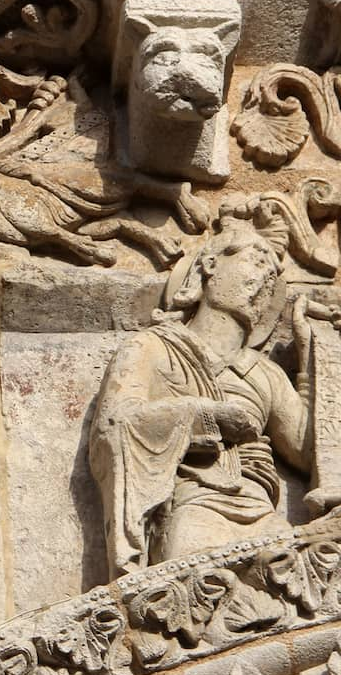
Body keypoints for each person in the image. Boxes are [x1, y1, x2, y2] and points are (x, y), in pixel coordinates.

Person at [91, 216, 319, 577]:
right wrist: (205, 417)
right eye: (255, 259)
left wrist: (310, 363)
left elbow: (309, 453)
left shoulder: (264, 373)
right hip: (194, 505)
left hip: (261, 510)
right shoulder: (152, 347)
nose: (263, 278)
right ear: (210, 266)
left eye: (272, 273)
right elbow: (114, 425)